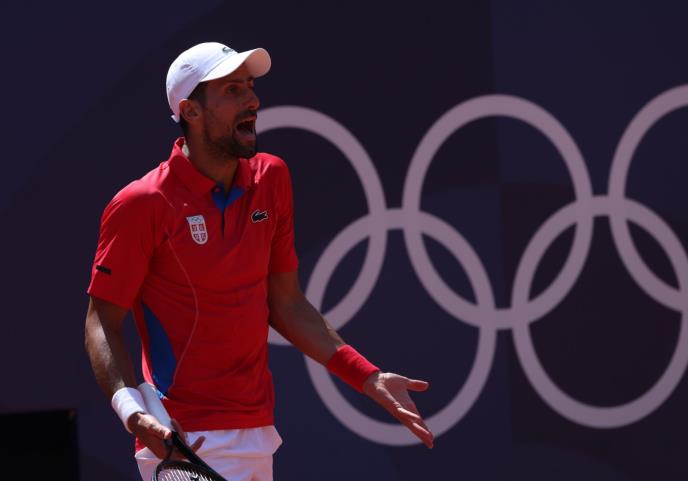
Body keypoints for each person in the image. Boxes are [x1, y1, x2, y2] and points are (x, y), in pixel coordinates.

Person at [84, 41, 434, 481]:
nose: (252, 100)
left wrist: (367, 377)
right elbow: (102, 320)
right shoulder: (142, 203)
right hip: (182, 438)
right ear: (191, 111)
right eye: (232, 90)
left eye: (250, 86)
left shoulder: (272, 179)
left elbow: (286, 302)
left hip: (257, 433)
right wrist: (132, 412)